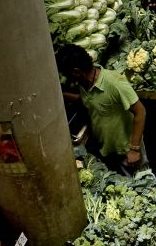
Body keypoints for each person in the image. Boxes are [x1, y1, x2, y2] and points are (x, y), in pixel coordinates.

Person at [56, 44, 147, 175]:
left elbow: (141, 112)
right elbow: (89, 101)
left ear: (76, 71)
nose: (66, 78)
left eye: (67, 73)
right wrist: (62, 95)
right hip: (108, 148)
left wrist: (134, 150)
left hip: (127, 149)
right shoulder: (84, 84)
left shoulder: (114, 83)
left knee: (142, 183)